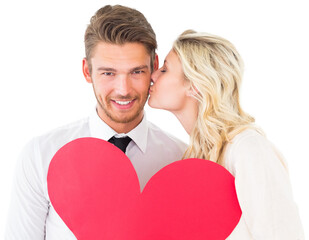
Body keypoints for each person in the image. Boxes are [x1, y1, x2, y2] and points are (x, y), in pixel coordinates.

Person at [5, 5, 186, 239]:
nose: (123, 90)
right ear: (87, 71)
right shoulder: (41, 155)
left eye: (136, 72)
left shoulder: (181, 160)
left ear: (154, 66)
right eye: (108, 73)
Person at [148, 30, 305, 239]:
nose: (153, 75)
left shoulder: (248, 148)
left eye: (165, 69)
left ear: (194, 86)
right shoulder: (194, 157)